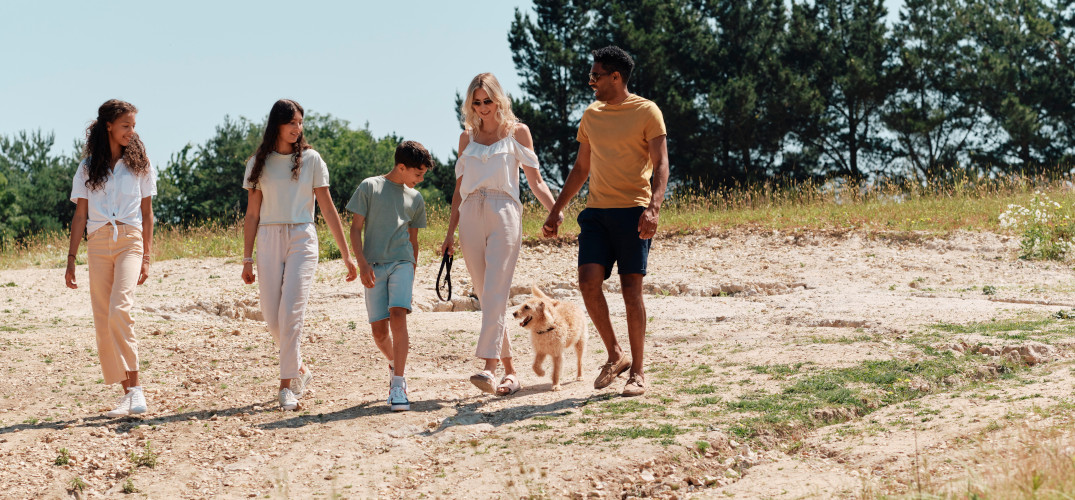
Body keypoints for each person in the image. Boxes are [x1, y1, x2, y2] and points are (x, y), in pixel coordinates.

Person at [542, 46, 669, 397]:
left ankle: (638, 372)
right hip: (596, 213)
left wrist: (654, 207)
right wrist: (556, 209)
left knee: (631, 292)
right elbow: (582, 167)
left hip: (633, 211)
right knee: (587, 283)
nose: (591, 81)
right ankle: (615, 353)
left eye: (596, 75)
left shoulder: (647, 111)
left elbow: (661, 165)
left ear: (616, 77)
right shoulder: (591, 115)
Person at [439, 73, 561, 396]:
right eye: (476, 103)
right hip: (469, 215)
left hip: (504, 211)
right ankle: (511, 373)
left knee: (494, 290)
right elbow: (457, 190)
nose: (482, 108)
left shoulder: (517, 132)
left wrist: (554, 209)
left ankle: (488, 368)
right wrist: (449, 233)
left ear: (499, 99)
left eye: (488, 101)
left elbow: (535, 181)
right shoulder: (467, 138)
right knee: (488, 297)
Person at [240, 99, 357, 411]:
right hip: (267, 236)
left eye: (300, 123)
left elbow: (328, 208)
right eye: (292, 122)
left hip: (302, 238)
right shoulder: (257, 163)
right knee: (271, 314)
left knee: (291, 313)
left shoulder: (312, 160)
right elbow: (252, 214)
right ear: (277, 124)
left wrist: (346, 255)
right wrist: (246, 258)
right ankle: (300, 369)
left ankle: (286, 385)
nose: (297, 128)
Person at [65, 99, 157, 417]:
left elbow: (148, 213)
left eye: (133, 126)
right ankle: (128, 394)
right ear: (108, 126)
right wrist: (71, 259)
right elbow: (80, 215)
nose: (131, 132)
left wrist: (147, 256)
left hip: (130, 241)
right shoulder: (88, 167)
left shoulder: (140, 165)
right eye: (125, 125)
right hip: (97, 243)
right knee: (104, 321)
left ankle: (137, 388)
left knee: (120, 309)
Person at [346, 141, 431, 412]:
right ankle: (395, 362)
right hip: (373, 265)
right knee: (379, 331)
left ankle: (398, 384)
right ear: (401, 167)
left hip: (402, 264)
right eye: (417, 174)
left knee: (398, 315)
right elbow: (355, 230)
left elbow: (414, 240)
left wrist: (412, 269)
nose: (420, 180)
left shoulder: (416, 199)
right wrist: (362, 264)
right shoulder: (369, 187)